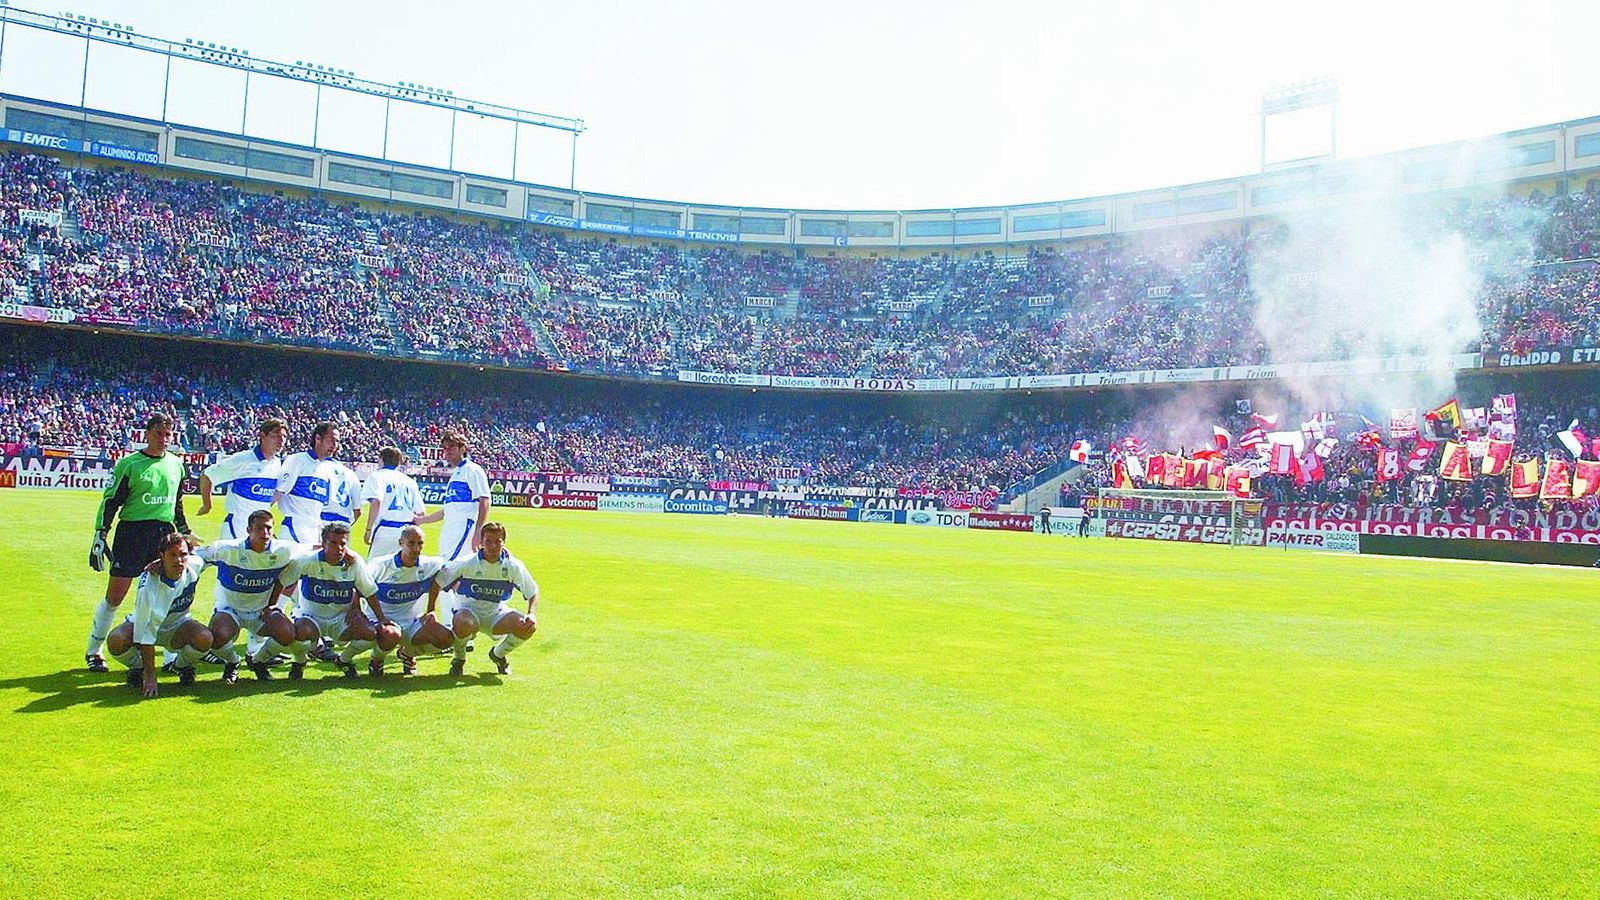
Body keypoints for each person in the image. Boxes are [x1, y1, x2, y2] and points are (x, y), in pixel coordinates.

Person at [84, 412, 191, 673]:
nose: (164, 439)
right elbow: (111, 501)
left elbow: (177, 503)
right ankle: (94, 649)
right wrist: (101, 533)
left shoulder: (176, 464)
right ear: (147, 433)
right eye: (159, 434)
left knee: (164, 595)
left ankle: (168, 656)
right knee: (116, 595)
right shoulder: (129, 464)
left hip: (163, 535)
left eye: (168, 435)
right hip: (132, 533)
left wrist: (185, 531)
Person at [193, 509, 299, 683]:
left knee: (287, 633)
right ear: (249, 530)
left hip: (261, 612)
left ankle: (258, 661)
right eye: (259, 528)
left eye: (268, 528)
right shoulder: (228, 549)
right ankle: (233, 662)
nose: (265, 533)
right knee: (217, 637)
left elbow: (312, 551)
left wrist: (349, 555)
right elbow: (196, 555)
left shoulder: (283, 551)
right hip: (230, 611)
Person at [104, 532, 212, 698]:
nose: (178, 560)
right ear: (162, 556)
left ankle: (181, 666)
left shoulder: (194, 563)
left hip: (178, 626)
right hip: (143, 626)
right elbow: (146, 632)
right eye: (172, 555)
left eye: (183, 554)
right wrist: (150, 675)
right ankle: (138, 668)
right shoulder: (148, 587)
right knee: (116, 640)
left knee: (205, 637)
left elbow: (212, 553)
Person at [269, 521, 381, 679]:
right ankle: (299, 662)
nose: (339, 548)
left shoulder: (354, 562)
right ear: (323, 544)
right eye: (333, 543)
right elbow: (283, 581)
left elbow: (369, 592)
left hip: (341, 619)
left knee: (370, 633)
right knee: (299, 632)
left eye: (343, 544)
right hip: (311, 618)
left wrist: (380, 618)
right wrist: (272, 606)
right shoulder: (306, 560)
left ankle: (344, 660)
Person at [427, 521, 538, 676]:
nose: (493, 546)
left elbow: (532, 591)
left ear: (504, 543)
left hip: (495, 615)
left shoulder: (513, 566)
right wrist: (431, 610)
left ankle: (498, 655)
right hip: (468, 613)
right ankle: (459, 659)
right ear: (481, 542)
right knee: (463, 622)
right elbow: (438, 581)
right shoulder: (467, 562)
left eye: (497, 542)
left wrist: (531, 613)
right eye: (488, 541)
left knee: (527, 627)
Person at [365, 525, 453, 676]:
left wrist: (431, 609)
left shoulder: (429, 565)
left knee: (445, 638)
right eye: (411, 543)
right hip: (381, 623)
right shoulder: (379, 565)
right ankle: (377, 659)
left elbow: (447, 573)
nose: (416, 548)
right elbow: (359, 586)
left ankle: (407, 653)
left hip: (412, 623)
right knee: (390, 635)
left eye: (420, 544)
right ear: (401, 543)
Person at [196, 418, 287, 540]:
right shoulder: (242, 460)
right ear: (262, 435)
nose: (281, 441)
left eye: (284, 437)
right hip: (236, 530)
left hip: (261, 531)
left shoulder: (278, 464)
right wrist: (207, 505)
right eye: (276, 436)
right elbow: (207, 475)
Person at [414, 431, 489, 563]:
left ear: (463, 449)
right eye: (445, 448)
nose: (448, 452)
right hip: (450, 530)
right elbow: (447, 510)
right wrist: (422, 520)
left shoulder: (472, 470)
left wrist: (478, 531)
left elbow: (484, 500)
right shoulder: (456, 474)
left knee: (451, 569)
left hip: (464, 529)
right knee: (449, 568)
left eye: (452, 447)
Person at [271, 421, 342, 546]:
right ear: (318, 438)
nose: (334, 445)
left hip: (315, 531)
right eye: (331, 440)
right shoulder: (297, 460)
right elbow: (276, 494)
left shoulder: (327, 469)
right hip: (294, 528)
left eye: (337, 441)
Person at [362, 446, 427, 558]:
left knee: (375, 570)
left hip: (385, 530)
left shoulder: (376, 476)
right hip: (407, 531)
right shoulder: (410, 481)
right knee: (403, 571)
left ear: (381, 459)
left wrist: (368, 529)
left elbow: (376, 502)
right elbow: (421, 513)